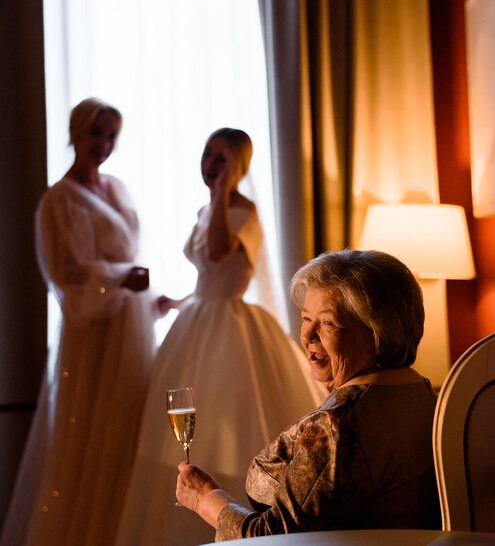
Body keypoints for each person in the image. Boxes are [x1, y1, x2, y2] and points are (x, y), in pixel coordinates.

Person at [115, 128, 326, 546]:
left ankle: (235, 519)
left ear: (239, 167)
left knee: (232, 424)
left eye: (223, 159)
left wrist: (221, 192)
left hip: (231, 324)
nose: (211, 165)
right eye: (209, 155)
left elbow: (216, 254)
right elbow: (208, 275)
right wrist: (178, 301)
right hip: (197, 317)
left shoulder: (242, 211)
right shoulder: (205, 209)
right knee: (176, 433)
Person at [175, 248, 442, 540]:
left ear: (378, 333)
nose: (307, 336)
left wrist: (205, 497)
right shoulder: (426, 394)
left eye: (327, 322)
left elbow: (277, 540)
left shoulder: (335, 427)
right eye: (305, 318)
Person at [0, 98, 160, 546]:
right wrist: (121, 280)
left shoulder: (118, 188)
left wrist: (149, 299)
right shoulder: (58, 200)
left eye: (111, 136)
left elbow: (128, 260)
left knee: (127, 434)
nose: (104, 144)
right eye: (96, 133)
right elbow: (66, 280)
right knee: (89, 435)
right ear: (76, 133)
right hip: (93, 333)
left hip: (130, 327)